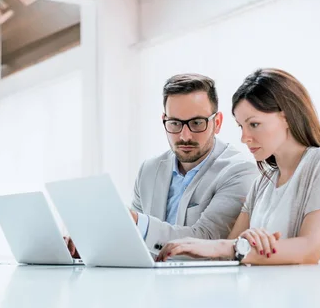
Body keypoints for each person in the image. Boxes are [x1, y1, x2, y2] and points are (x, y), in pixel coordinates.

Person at [157, 68, 320, 265]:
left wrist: (236, 246)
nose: (244, 137)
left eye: (254, 124)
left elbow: (308, 250)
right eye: (241, 126)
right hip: (274, 296)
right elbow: (231, 253)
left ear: (286, 117)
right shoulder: (262, 183)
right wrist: (237, 243)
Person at [66, 73, 257, 258]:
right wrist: (90, 245)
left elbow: (208, 240)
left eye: (197, 123)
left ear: (217, 122)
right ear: (164, 120)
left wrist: (136, 222)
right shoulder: (148, 170)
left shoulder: (240, 171)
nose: (185, 136)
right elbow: (134, 242)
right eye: (175, 123)